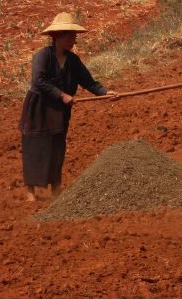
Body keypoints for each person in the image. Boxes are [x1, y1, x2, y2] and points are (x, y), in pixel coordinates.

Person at [18, 13, 117, 202]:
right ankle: (30, 192)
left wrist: (106, 92)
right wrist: (62, 95)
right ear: (57, 36)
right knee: (36, 147)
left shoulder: (73, 61)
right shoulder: (42, 56)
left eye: (74, 36)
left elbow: (89, 82)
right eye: (70, 36)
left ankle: (56, 189)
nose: (74, 40)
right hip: (39, 108)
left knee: (57, 147)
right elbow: (38, 81)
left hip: (59, 112)